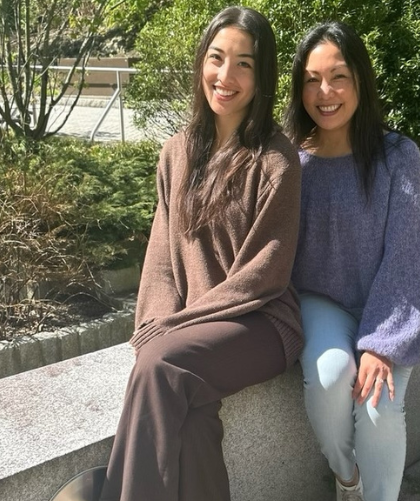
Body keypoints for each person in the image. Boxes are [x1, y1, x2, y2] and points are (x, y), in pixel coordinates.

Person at [98, 6, 303, 501]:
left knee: (160, 366)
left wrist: (176, 330)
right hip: (196, 327)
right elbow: (162, 258)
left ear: (262, 76)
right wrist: (156, 322)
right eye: (216, 58)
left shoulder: (276, 159)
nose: (225, 76)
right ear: (201, 64)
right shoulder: (176, 152)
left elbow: (267, 272)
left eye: (244, 64)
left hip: (261, 322)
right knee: (189, 418)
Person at [284, 21, 420, 501]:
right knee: (328, 382)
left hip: (385, 307)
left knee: (379, 407)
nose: (324, 92)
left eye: (338, 76)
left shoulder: (397, 156)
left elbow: (407, 255)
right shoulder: (291, 161)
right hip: (320, 302)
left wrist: (382, 345)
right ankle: (348, 482)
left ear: (360, 81)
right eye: (311, 78)